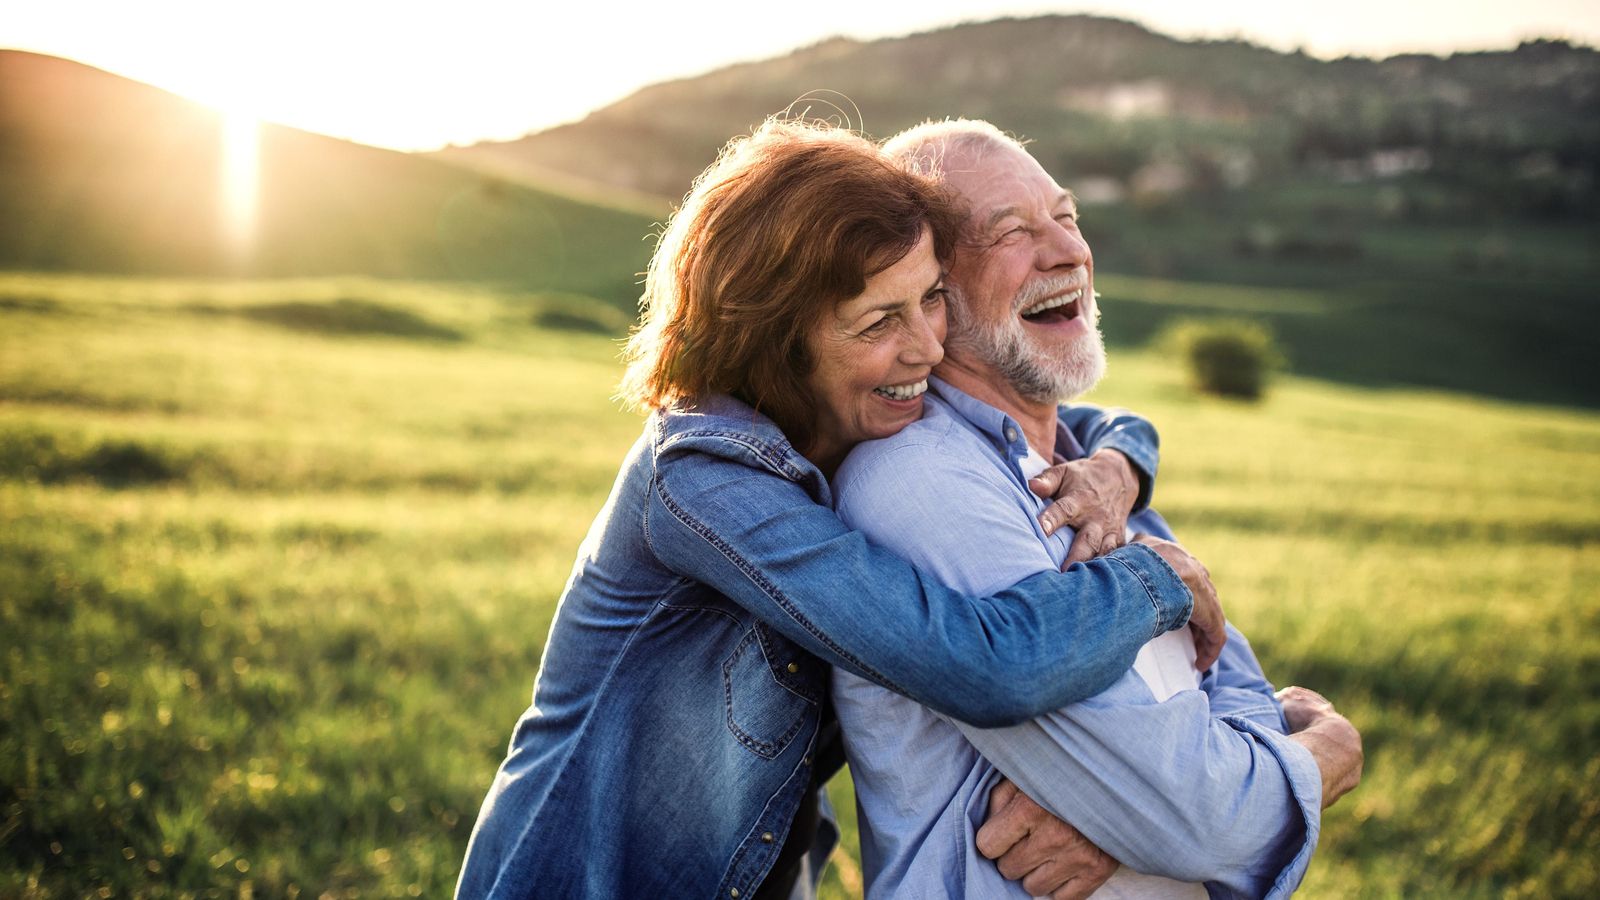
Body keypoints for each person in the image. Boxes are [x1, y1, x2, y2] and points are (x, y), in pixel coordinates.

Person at [454, 119, 1230, 899]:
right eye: (879, 322)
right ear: (775, 340)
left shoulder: (854, 421)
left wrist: (1116, 468)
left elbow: (1083, 424)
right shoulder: (703, 481)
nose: (928, 345)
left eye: (929, 298)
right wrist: (1155, 577)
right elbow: (982, 665)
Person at [830, 119, 1364, 899]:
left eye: (1068, 217)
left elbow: (1225, 686)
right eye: (1012, 231)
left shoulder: (1094, 476)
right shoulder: (921, 485)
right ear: (928, 292)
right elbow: (1202, 818)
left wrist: (1140, 820)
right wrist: (1327, 756)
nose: (1069, 252)